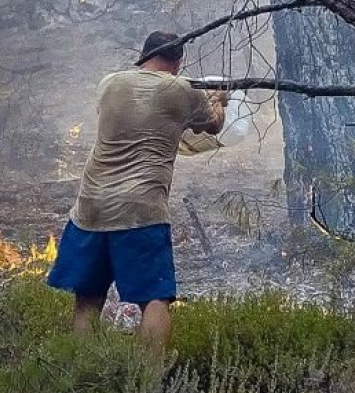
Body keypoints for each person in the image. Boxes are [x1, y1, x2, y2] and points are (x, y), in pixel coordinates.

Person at [46, 30, 227, 354]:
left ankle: (83, 373)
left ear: (144, 56)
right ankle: (148, 377)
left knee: (87, 300)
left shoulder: (110, 84)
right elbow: (213, 125)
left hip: (91, 207)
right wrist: (218, 99)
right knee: (155, 299)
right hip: (141, 211)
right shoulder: (182, 89)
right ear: (177, 62)